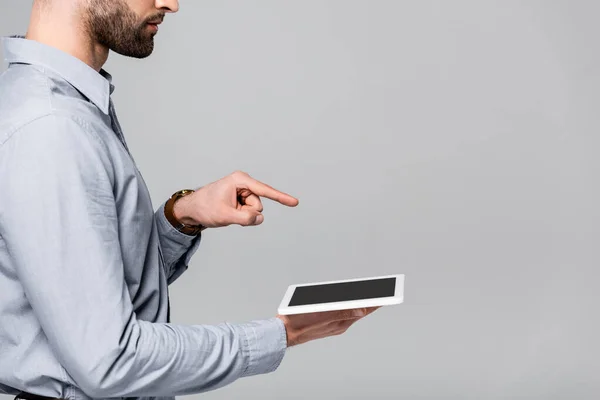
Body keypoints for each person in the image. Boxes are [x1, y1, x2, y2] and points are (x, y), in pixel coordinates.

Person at [0, 1, 379, 400]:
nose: (171, 3)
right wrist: (283, 333)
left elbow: (87, 289)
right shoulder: (52, 128)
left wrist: (181, 217)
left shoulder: (52, 103)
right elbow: (110, 362)